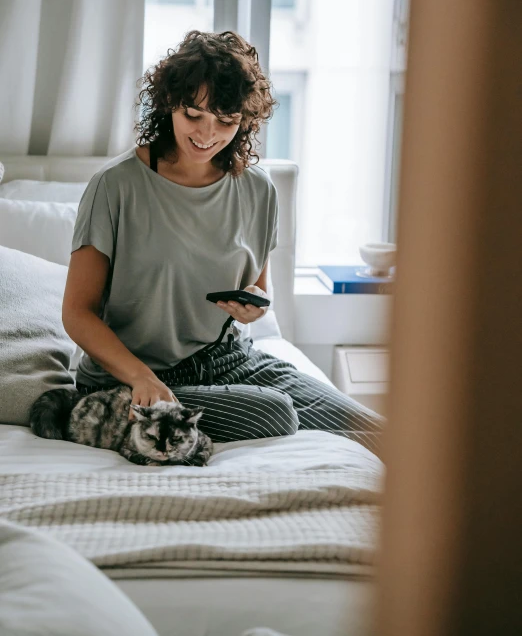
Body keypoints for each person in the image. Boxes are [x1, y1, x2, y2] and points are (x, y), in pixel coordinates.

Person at [63, 30, 384, 456]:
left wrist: (252, 305)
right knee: (276, 414)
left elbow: (257, 291)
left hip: (230, 362)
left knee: (378, 432)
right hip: (132, 375)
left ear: (245, 121)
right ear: (169, 104)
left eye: (226, 121)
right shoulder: (115, 186)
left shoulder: (259, 191)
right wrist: (140, 377)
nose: (206, 134)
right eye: (193, 114)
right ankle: (119, 404)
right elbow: (77, 313)